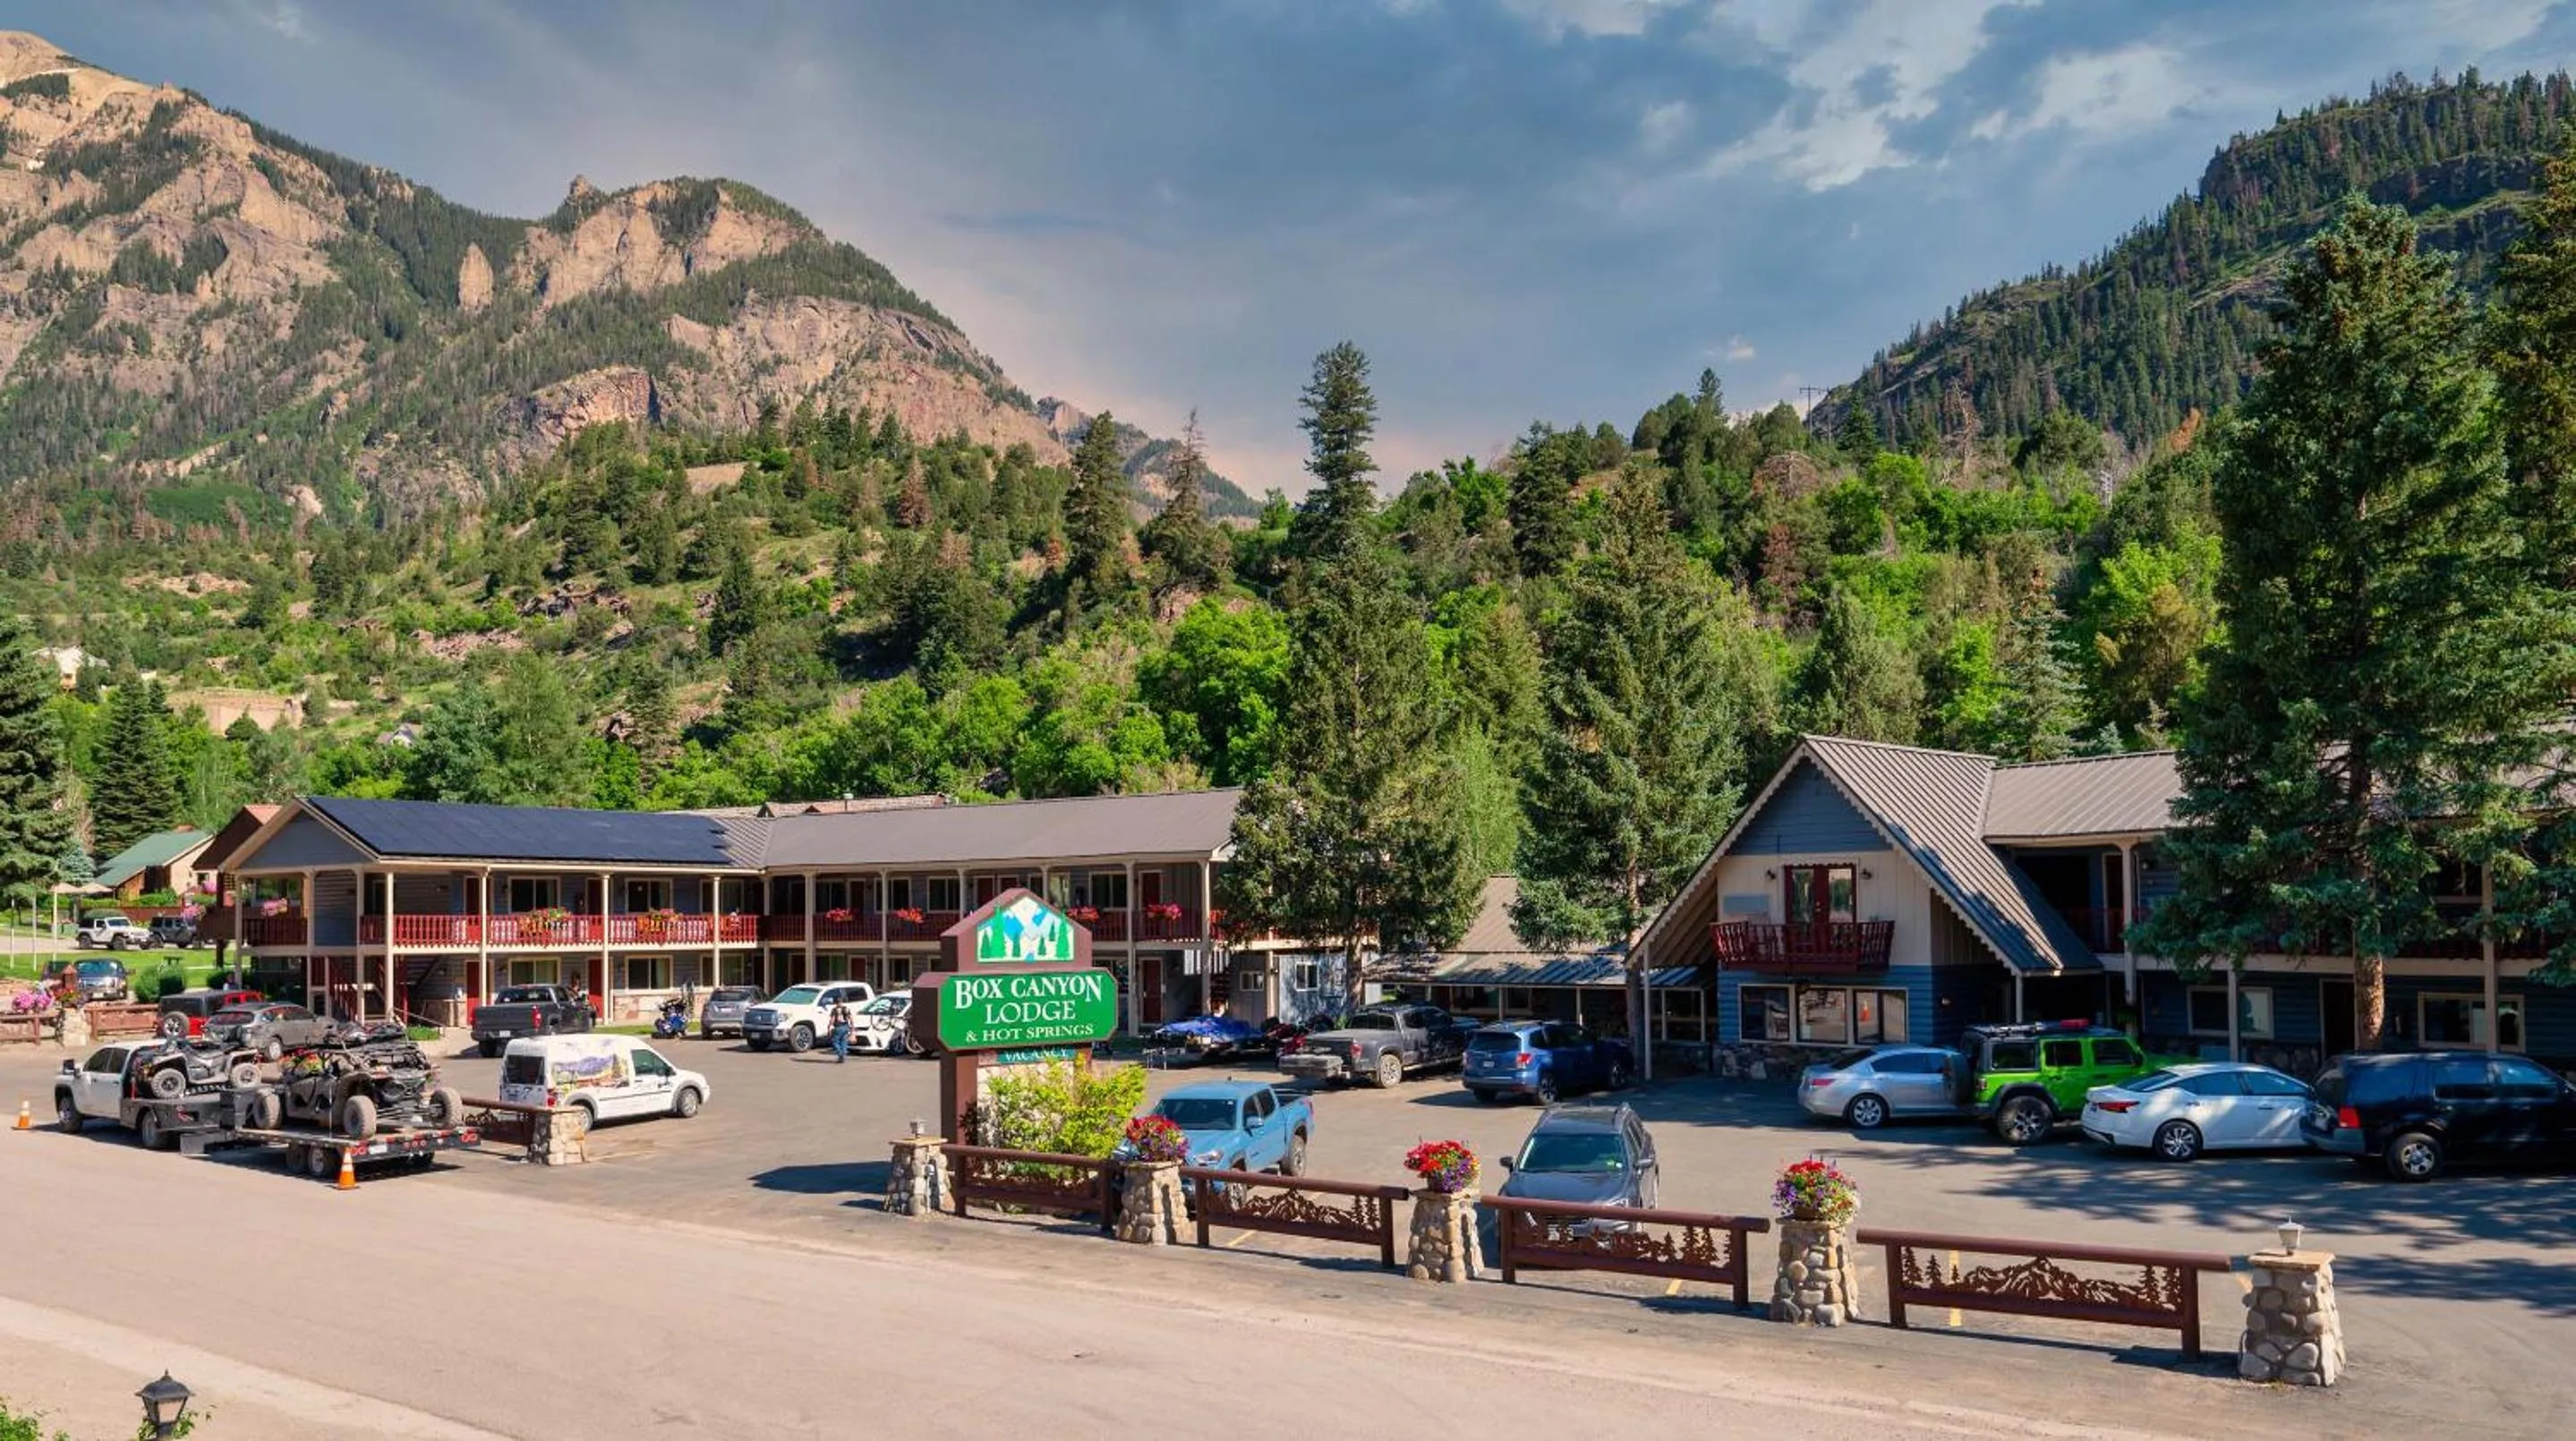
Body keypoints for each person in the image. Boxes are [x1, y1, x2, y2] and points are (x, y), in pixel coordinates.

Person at [829, 999, 852, 1063]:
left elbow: (832, 1019)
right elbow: (851, 1018)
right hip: (845, 1026)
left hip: (838, 1027)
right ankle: (843, 1056)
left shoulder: (834, 1010)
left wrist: (829, 1027)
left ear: (836, 1003)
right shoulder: (846, 1009)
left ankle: (840, 1054)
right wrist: (852, 1027)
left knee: (835, 1041)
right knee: (844, 1042)